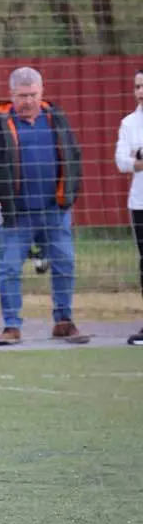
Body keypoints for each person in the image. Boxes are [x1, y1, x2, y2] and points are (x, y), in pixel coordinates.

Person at [0, 66, 88, 346]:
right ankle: (11, 325)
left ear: (41, 92)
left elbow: (73, 157)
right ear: (11, 95)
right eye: (21, 96)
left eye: (32, 94)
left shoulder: (57, 120)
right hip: (15, 215)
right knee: (8, 269)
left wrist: (69, 193)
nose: (27, 101)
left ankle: (64, 321)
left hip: (55, 212)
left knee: (65, 263)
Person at [114, 68, 143, 346]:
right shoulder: (129, 124)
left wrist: (139, 156)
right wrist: (137, 160)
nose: (140, 92)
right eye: (137, 86)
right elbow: (122, 161)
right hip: (140, 203)